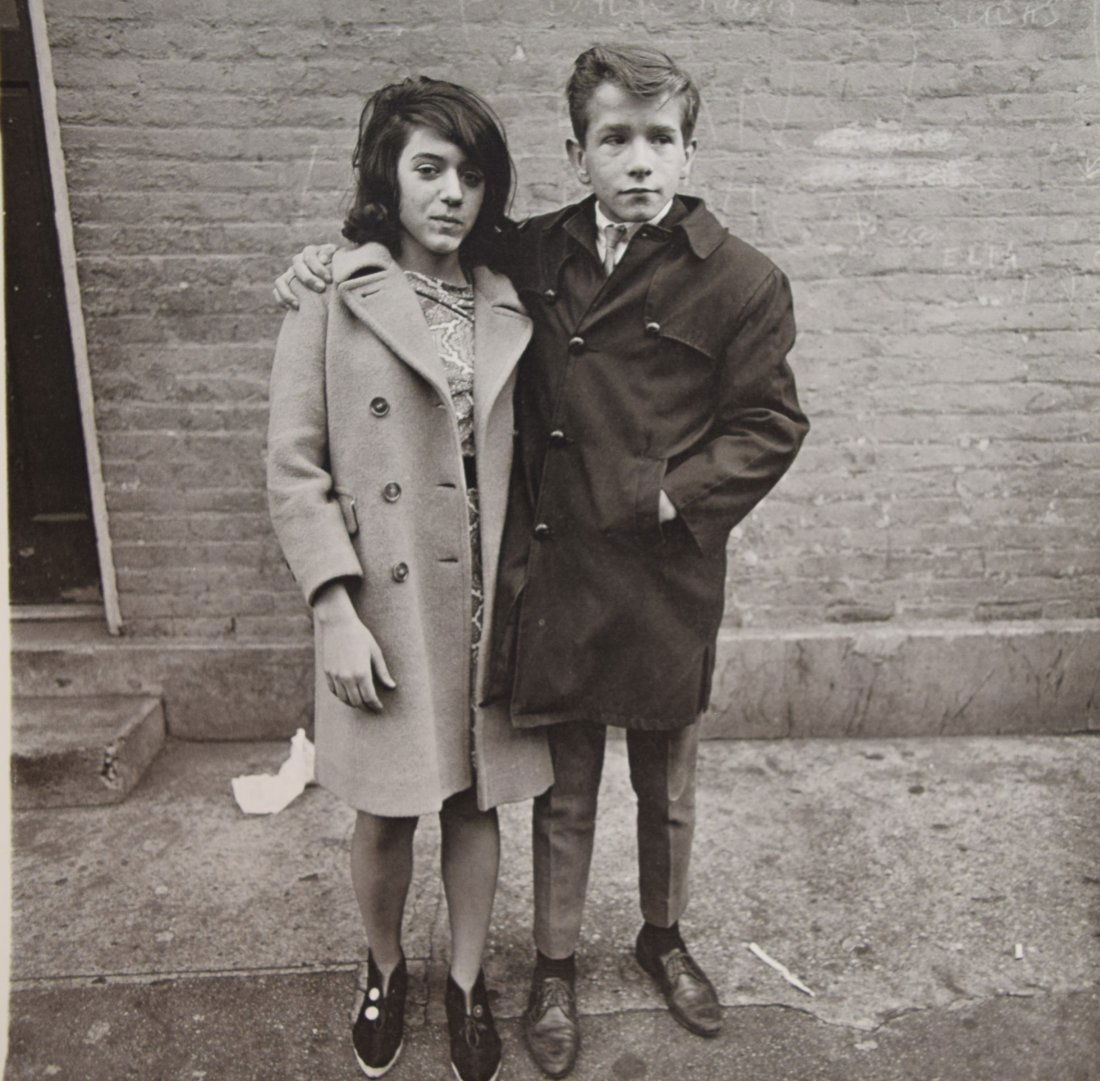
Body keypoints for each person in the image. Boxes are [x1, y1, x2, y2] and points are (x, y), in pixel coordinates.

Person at [275, 44, 808, 1080]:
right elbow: (406, 272)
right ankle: (551, 967)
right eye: (615, 139)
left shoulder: (739, 278)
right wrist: (321, 261)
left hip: (664, 573)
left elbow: (770, 422)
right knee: (562, 790)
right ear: (576, 151)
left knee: (667, 784)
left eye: (661, 140)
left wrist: (670, 493)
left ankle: (664, 937)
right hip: (555, 574)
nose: (640, 163)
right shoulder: (531, 254)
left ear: (689, 149)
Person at [266, 75, 552, 1081]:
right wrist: (334, 611)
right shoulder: (331, 294)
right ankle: (383, 967)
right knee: (386, 806)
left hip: (486, 597)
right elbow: (294, 468)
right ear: (386, 173)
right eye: (428, 168)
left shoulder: (508, 292)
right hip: (384, 602)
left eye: (471, 175)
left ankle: (467, 981)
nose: (452, 194)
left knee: (475, 803)